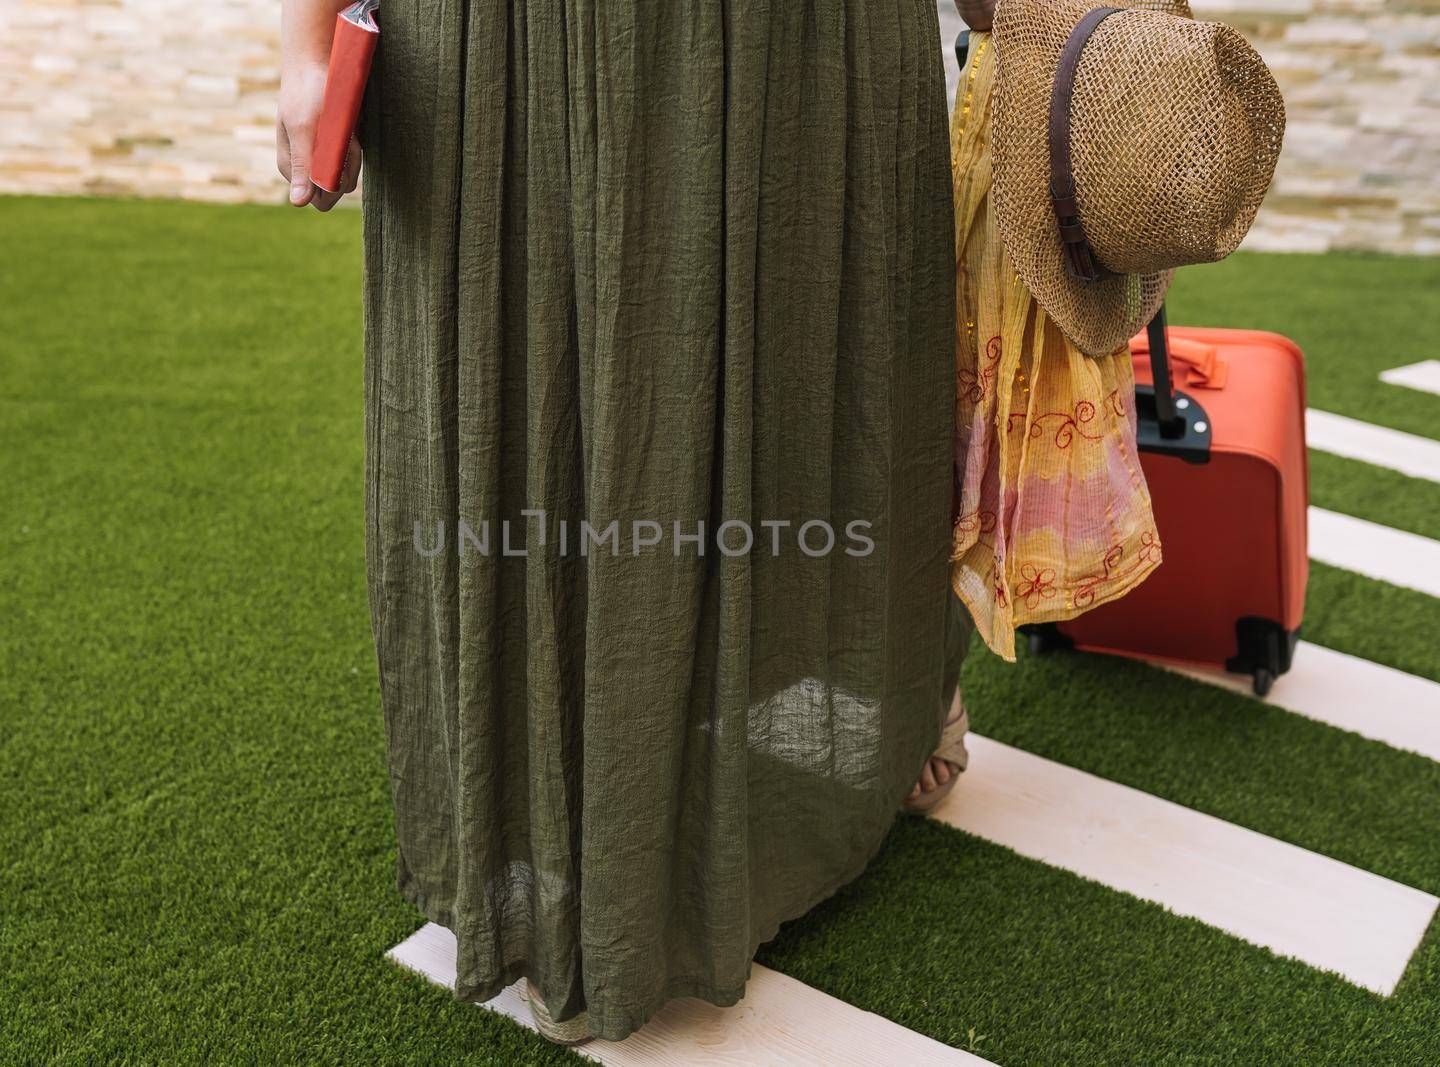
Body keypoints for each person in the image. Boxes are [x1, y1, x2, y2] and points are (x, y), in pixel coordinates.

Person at [278, 0, 985, 1045]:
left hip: (807, 30)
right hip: (511, 38)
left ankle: (882, 700)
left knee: (809, 366)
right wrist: (303, 48)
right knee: (535, 407)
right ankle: (576, 877)